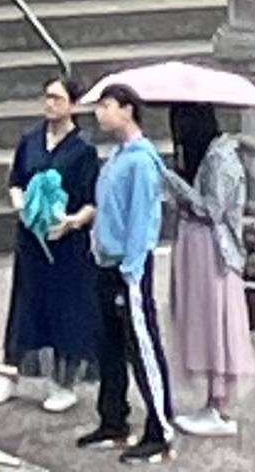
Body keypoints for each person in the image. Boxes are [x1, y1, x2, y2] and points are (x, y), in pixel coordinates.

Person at [0, 75, 97, 412]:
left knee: (64, 309)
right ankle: (11, 370)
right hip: (31, 239)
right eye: (47, 97)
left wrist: (72, 221)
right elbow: (16, 180)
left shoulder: (83, 150)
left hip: (65, 243)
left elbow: (92, 201)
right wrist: (19, 202)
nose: (50, 104)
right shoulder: (30, 139)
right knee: (24, 303)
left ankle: (63, 382)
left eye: (58, 98)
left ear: (73, 105)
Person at [80, 82, 175, 459]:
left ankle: (160, 427)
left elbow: (142, 220)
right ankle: (113, 419)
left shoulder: (140, 161)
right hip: (106, 261)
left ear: (127, 110)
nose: (100, 113)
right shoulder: (118, 156)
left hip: (128, 267)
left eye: (107, 106)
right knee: (110, 346)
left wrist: (132, 268)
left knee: (143, 345)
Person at [166, 102, 251, 437]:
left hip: (212, 248)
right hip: (195, 243)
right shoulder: (207, 156)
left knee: (215, 320)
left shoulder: (220, 157)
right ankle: (211, 401)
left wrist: (177, 184)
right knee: (202, 317)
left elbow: (213, 209)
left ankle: (218, 404)